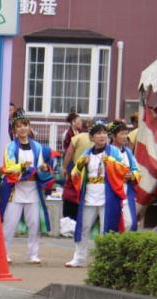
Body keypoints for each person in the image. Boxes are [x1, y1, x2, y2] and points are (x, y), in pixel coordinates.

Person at [66, 121, 131, 268]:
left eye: (104, 133)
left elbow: (124, 169)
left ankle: (105, 259)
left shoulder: (114, 152)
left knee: (106, 229)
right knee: (83, 227)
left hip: (107, 197)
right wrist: (81, 164)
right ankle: (79, 258)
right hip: (89, 196)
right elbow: (74, 173)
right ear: (92, 137)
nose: (102, 136)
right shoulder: (86, 153)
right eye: (98, 133)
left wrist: (110, 162)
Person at [0, 112, 55, 264]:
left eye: (25, 125)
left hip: (33, 189)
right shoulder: (10, 147)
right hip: (16, 189)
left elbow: (40, 166)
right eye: (18, 126)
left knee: (34, 224)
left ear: (29, 127)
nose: (22, 128)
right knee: (9, 224)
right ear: (14, 130)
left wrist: (43, 168)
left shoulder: (37, 147)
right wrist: (22, 166)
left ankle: (33, 254)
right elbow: (8, 167)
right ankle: (4, 253)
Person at [109, 120, 141, 231]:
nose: (125, 137)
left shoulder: (128, 152)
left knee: (130, 223)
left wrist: (132, 175)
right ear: (113, 136)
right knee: (112, 222)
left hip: (126, 190)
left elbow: (136, 169)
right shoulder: (107, 151)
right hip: (111, 191)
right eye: (122, 134)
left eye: (126, 133)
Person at [59, 112, 87, 231]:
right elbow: (67, 150)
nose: (81, 123)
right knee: (71, 185)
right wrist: (65, 166)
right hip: (72, 162)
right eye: (78, 121)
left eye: (81, 121)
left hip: (80, 163)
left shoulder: (81, 133)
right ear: (73, 122)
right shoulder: (68, 134)